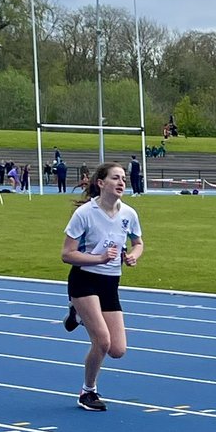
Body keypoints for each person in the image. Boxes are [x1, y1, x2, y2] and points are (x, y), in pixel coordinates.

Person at [60, 163, 144, 412]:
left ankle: (77, 314)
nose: (121, 182)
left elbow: (138, 242)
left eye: (123, 178)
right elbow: (67, 254)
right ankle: (88, 391)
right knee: (103, 342)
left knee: (118, 350)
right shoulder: (85, 213)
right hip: (84, 279)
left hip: (110, 283)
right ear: (101, 183)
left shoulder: (128, 213)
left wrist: (133, 256)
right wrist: (99, 259)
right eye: (115, 178)